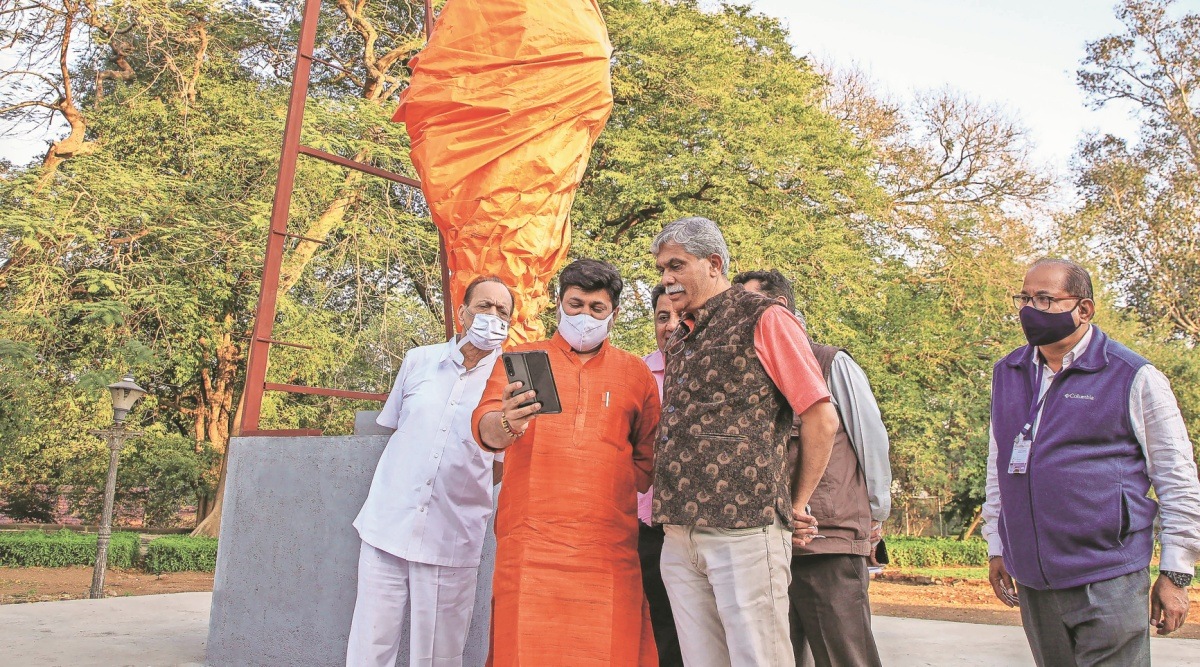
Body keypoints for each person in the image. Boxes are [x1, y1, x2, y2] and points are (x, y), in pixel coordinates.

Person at [983, 258, 1200, 666]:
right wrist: (998, 545)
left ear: (1084, 309)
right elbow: (998, 465)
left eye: (1045, 299)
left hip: (1107, 577)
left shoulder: (1133, 375)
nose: (1030, 310)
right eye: (1024, 298)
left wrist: (1176, 572)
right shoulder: (1007, 372)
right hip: (1034, 580)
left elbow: (1176, 477)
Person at [650, 217, 839, 667]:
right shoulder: (682, 338)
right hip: (679, 534)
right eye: (661, 269)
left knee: (759, 658)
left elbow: (820, 418)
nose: (666, 278)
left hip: (745, 530)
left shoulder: (766, 317)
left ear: (714, 263)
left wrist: (795, 505)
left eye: (676, 265)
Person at [473, 258, 661, 666]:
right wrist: (508, 420)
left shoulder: (636, 374)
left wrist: (600, 476)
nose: (584, 316)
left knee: (610, 651)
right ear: (559, 303)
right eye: (575, 305)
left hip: (607, 549)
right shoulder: (521, 359)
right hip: (530, 544)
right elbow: (486, 431)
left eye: (597, 309)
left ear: (614, 312)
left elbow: (646, 462)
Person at [347, 276, 515, 667]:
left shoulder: (509, 381)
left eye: (502, 311)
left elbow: (500, 466)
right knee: (370, 648)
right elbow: (399, 431)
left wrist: (458, 486)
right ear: (462, 313)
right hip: (387, 525)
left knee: (439, 656)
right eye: (484, 306)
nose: (492, 316)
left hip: (451, 536)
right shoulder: (418, 361)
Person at [735, 268, 890, 667]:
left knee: (844, 655)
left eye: (745, 306)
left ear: (779, 308)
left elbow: (870, 440)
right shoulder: (746, 371)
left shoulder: (830, 362)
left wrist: (874, 515)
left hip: (829, 540)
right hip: (767, 543)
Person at [638, 284, 684, 667]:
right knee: (660, 629)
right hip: (649, 525)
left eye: (679, 316)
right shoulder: (637, 374)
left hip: (699, 524)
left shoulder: (717, 369)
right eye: (662, 317)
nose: (670, 326)